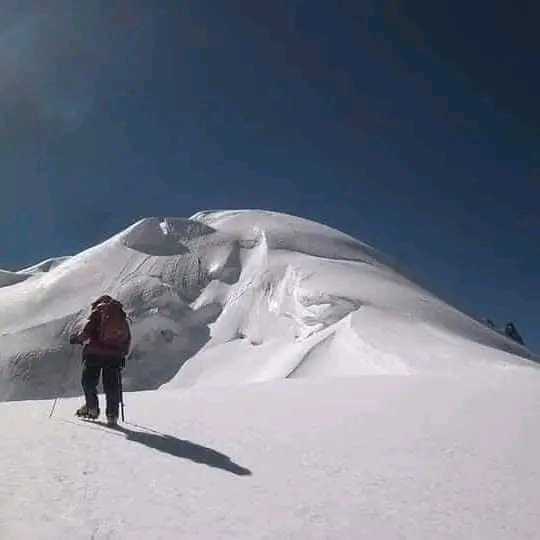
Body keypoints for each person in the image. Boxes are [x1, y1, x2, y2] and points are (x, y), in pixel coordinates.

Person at [70, 295, 131, 425]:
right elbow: (127, 339)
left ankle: (92, 408)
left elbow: (86, 331)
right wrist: (122, 354)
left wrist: (76, 339)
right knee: (112, 385)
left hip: (94, 354)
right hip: (114, 356)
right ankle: (112, 415)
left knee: (88, 382)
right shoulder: (120, 315)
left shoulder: (98, 311)